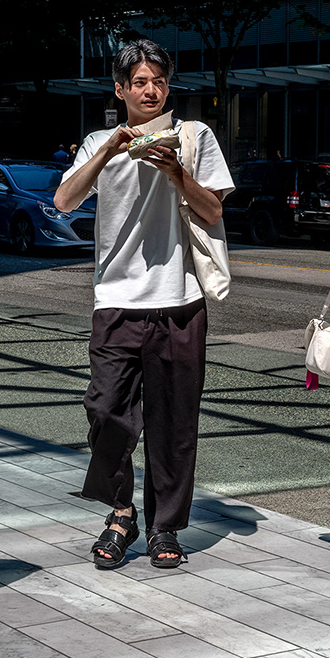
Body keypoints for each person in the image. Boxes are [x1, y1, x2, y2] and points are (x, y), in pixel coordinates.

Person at [53, 39, 233, 571]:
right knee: (106, 411)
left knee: (174, 422)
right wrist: (110, 150)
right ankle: (121, 510)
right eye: (139, 82)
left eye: (158, 80)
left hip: (180, 300)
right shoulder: (96, 143)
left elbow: (214, 210)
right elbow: (64, 201)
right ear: (120, 89)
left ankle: (164, 527)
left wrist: (178, 172)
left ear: (167, 86)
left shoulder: (196, 138)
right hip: (116, 299)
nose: (150, 90)